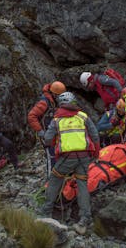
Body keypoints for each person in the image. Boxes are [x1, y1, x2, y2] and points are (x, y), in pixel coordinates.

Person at [41, 91, 100, 235]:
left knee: (55, 179)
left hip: (67, 158)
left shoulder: (56, 120)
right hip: (84, 157)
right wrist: (96, 153)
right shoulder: (83, 116)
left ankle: (46, 212)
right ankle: (85, 218)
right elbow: (95, 135)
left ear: (61, 104)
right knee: (82, 185)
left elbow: (48, 140)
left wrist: (43, 135)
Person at [27, 81, 66, 177]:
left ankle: (58, 177)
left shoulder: (55, 102)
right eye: (58, 96)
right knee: (51, 156)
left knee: (59, 155)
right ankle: (50, 180)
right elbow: (31, 116)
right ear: (53, 94)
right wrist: (40, 131)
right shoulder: (44, 102)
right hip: (46, 134)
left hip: (55, 133)